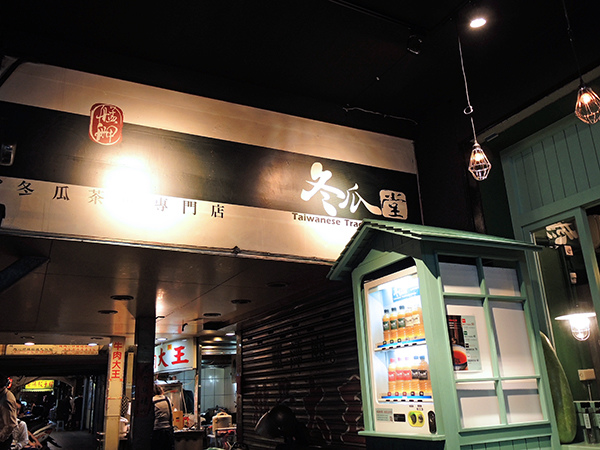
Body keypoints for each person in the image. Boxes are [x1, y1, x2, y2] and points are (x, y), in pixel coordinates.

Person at [152, 384, 174, 450]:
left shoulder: (152, 400)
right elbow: (171, 414)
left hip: (157, 431)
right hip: (168, 430)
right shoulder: (167, 399)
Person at [0, 373, 17, 450]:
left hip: (2, 441)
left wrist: (1, 437)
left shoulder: (6, 400)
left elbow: (10, 425)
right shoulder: (2, 396)